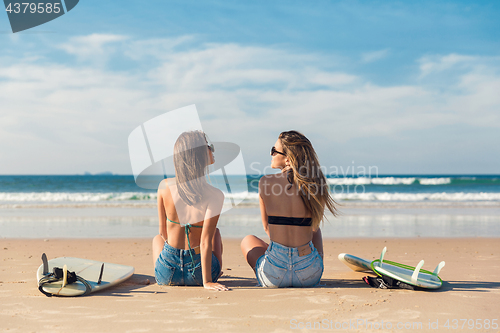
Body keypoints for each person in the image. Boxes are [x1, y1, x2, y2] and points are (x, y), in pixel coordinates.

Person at [241, 130, 337, 287]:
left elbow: (267, 228)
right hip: (309, 275)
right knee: (315, 230)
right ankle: (317, 269)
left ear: (287, 160)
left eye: (274, 150)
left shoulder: (265, 183)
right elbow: (313, 228)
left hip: (274, 276)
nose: (271, 154)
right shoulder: (315, 185)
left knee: (248, 241)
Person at [152, 130, 228, 291]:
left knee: (157, 240)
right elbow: (205, 242)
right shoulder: (215, 195)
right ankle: (215, 273)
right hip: (199, 273)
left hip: (167, 273)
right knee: (215, 234)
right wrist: (207, 282)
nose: (212, 149)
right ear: (199, 154)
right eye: (209, 146)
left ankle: (160, 276)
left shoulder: (164, 186)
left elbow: (163, 233)